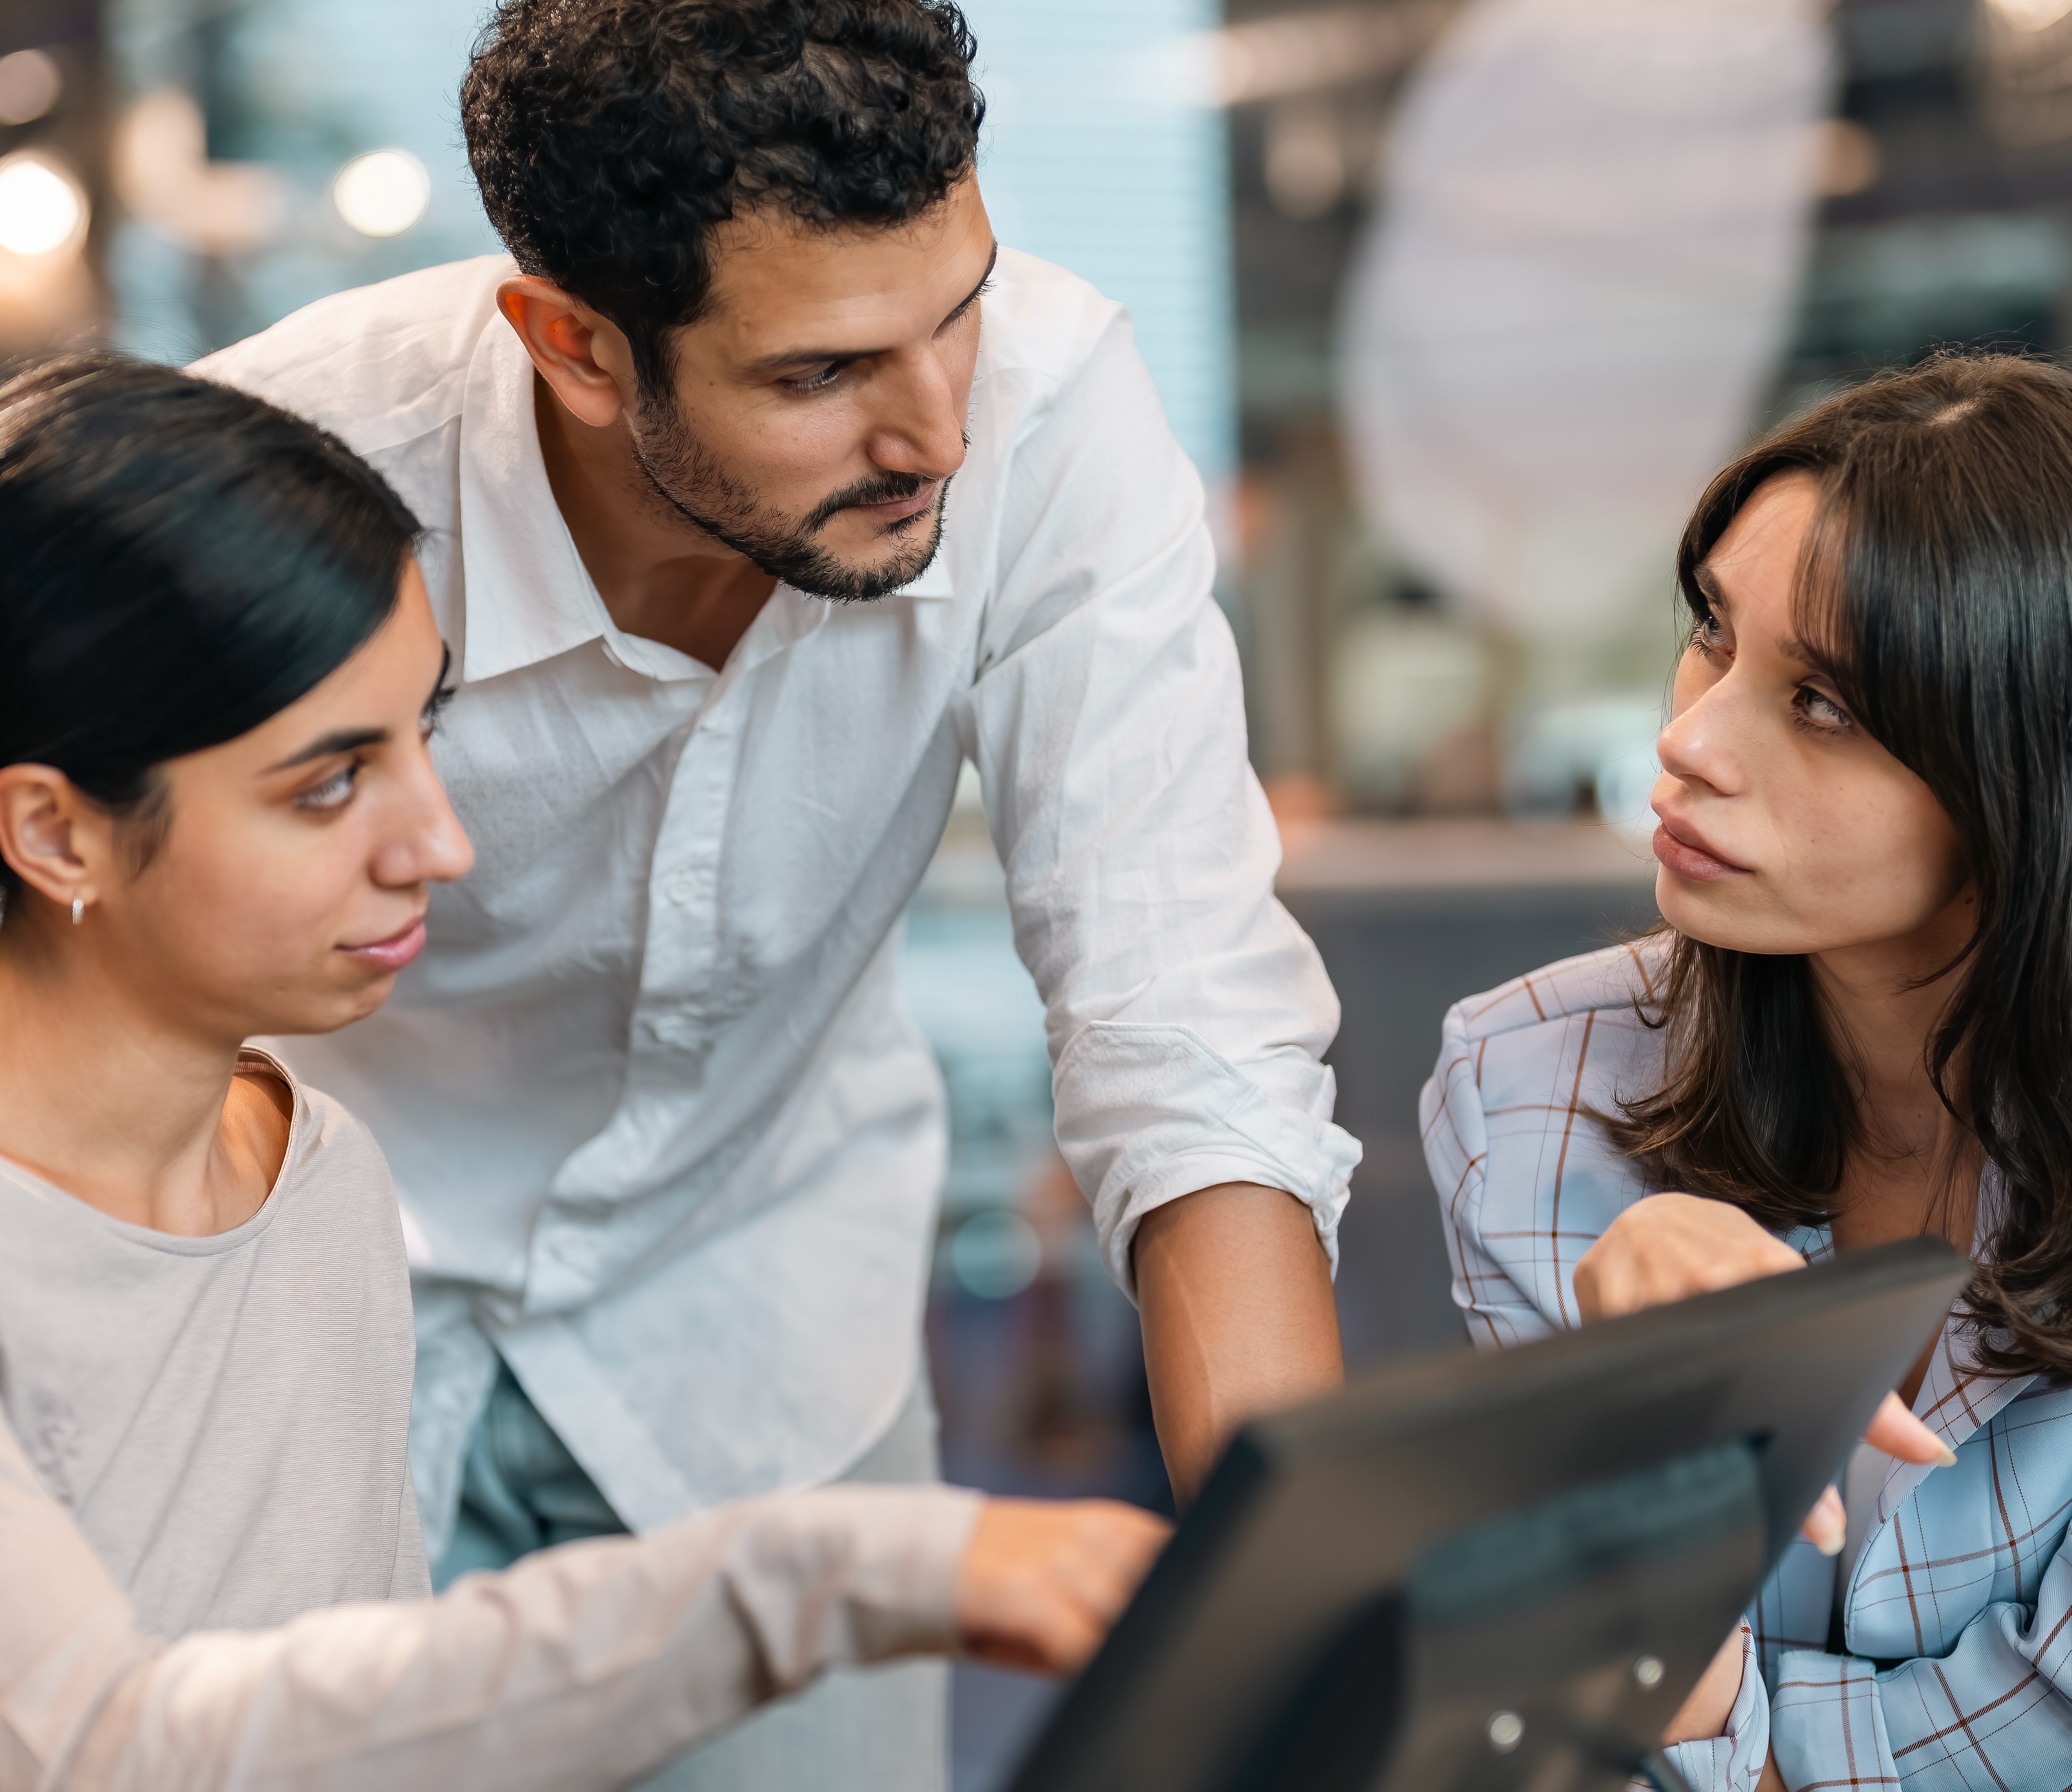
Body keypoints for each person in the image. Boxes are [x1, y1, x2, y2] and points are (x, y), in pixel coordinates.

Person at [0, 355, 1167, 1792]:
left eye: (422, 732)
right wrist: (828, 1578)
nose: (441, 841)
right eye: (331, 781)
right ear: (56, 831)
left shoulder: (320, 1167)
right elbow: (94, 1758)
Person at [191, 8, 1350, 1777]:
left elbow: (1179, 1011)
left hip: (760, 1330)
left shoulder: (1050, 405)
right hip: (297, 1348)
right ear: (576, 346)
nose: (937, 432)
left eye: (955, 309)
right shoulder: (288, 470)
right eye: (820, 375)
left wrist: (1312, 1623)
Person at [1419, 356, 2072, 1792]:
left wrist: (1741, 1740)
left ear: (2036, 774)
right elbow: (1573, 1748)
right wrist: (1643, 1417)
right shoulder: (1527, 1088)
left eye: (1821, 702)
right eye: (1711, 634)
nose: (1686, 741)